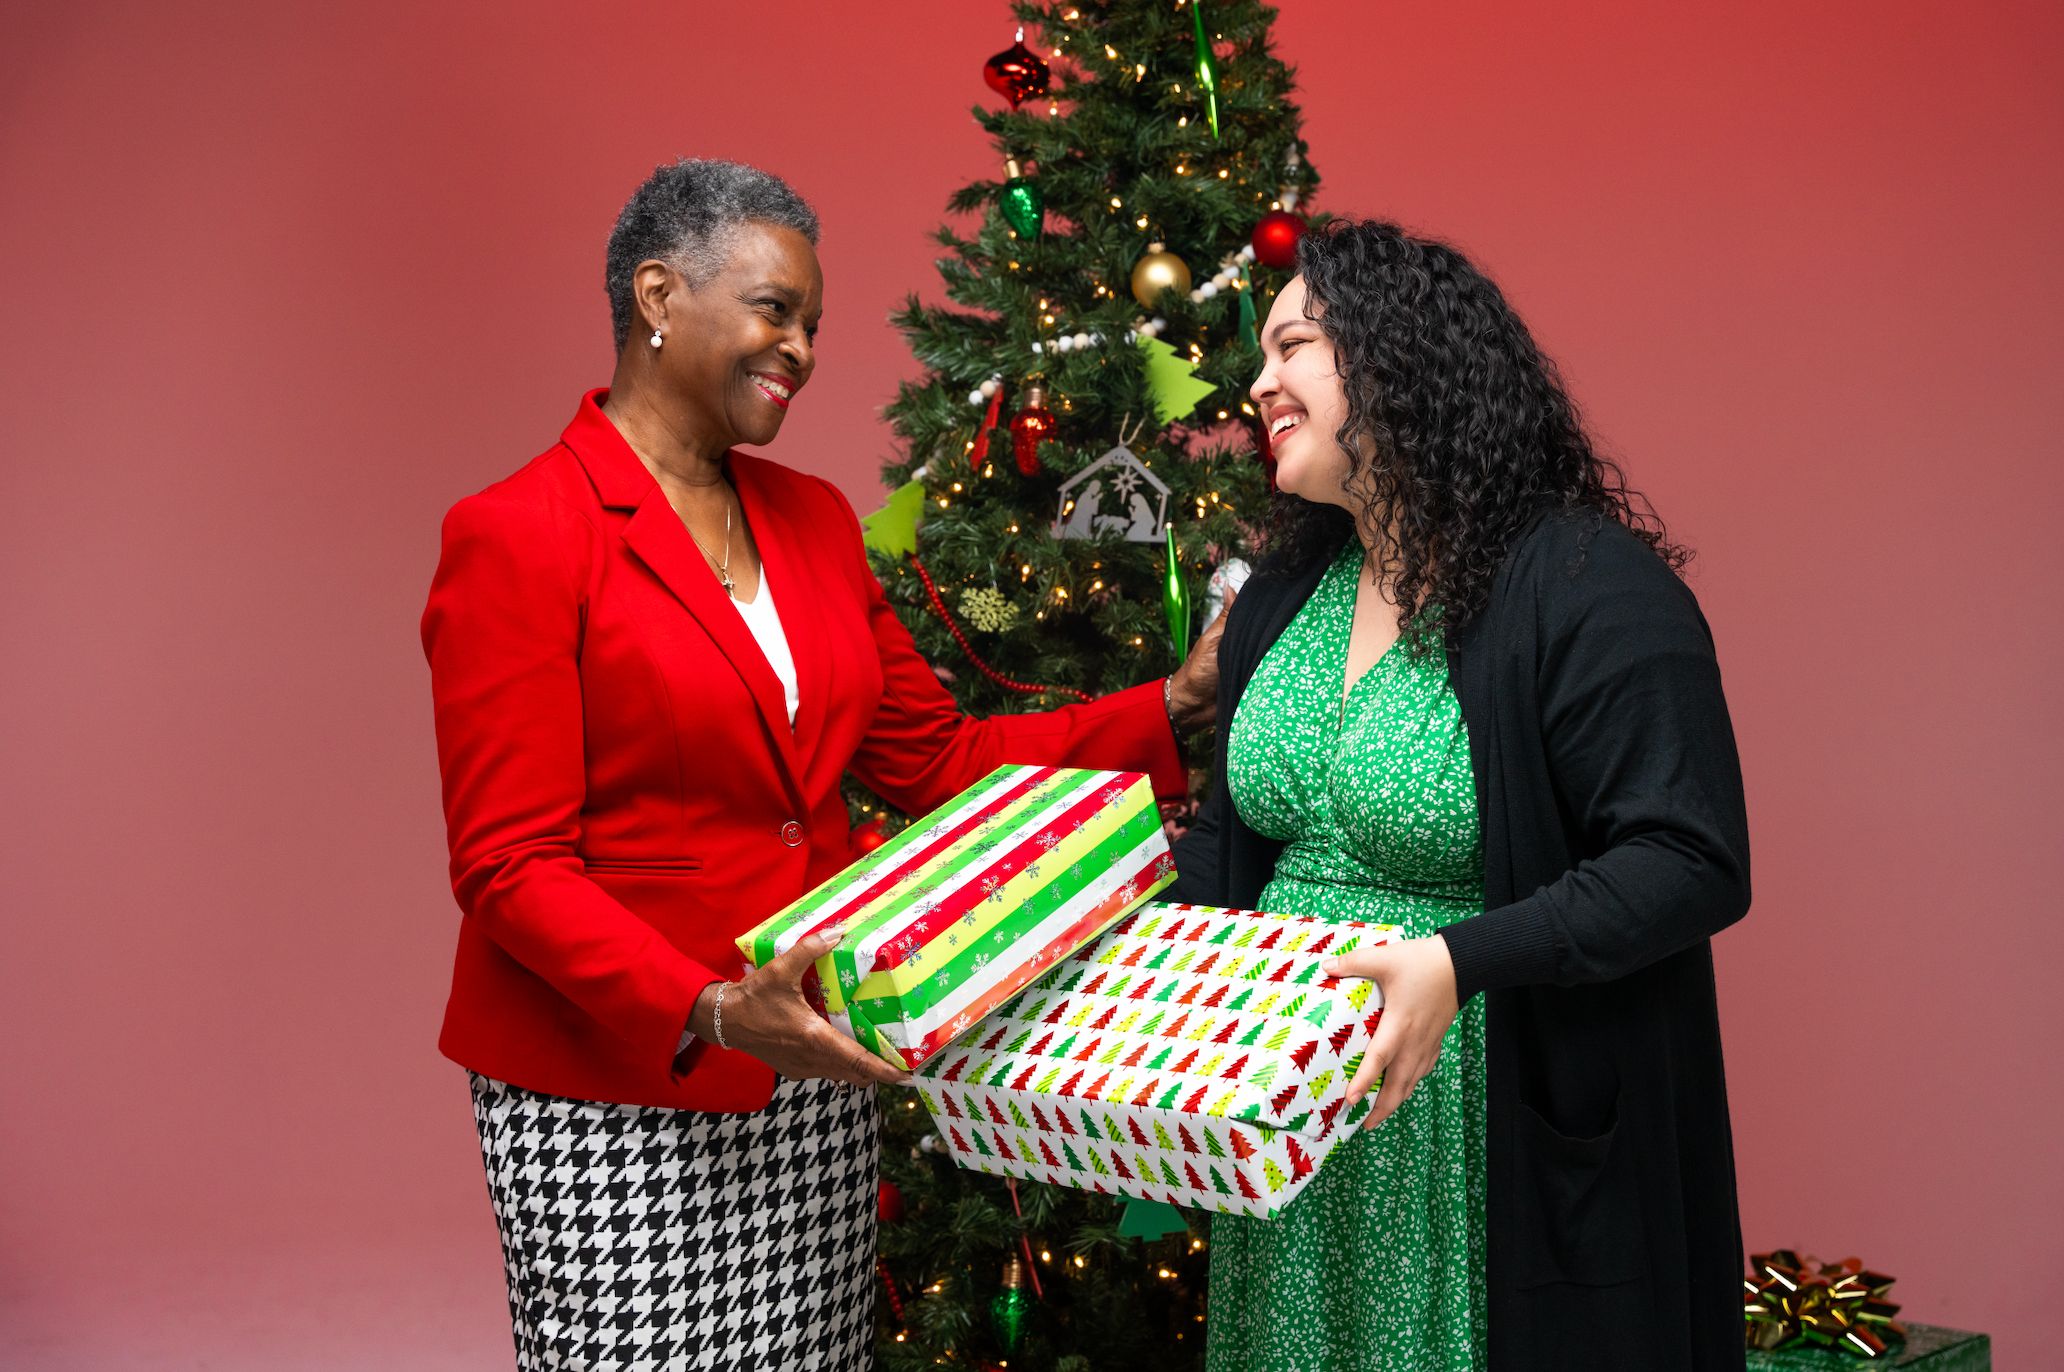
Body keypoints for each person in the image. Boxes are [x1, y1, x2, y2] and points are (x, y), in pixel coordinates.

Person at [420, 158, 1226, 1371]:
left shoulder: (813, 519)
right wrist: (707, 1009)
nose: (799, 348)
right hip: (620, 1081)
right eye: (772, 310)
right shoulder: (520, 533)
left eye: (812, 324)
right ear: (656, 295)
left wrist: (1178, 702)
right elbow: (510, 866)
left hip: (807, 1072)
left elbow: (946, 761)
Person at [1168, 219, 1750, 1371]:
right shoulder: (1287, 593)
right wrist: (1090, 947)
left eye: (1294, 345)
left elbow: (1691, 857)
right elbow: (1229, 846)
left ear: (1395, 359)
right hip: (1292, 1132)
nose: (1258, 379)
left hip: (1475, 1137)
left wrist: (1453, 962)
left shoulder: (1589, 588)